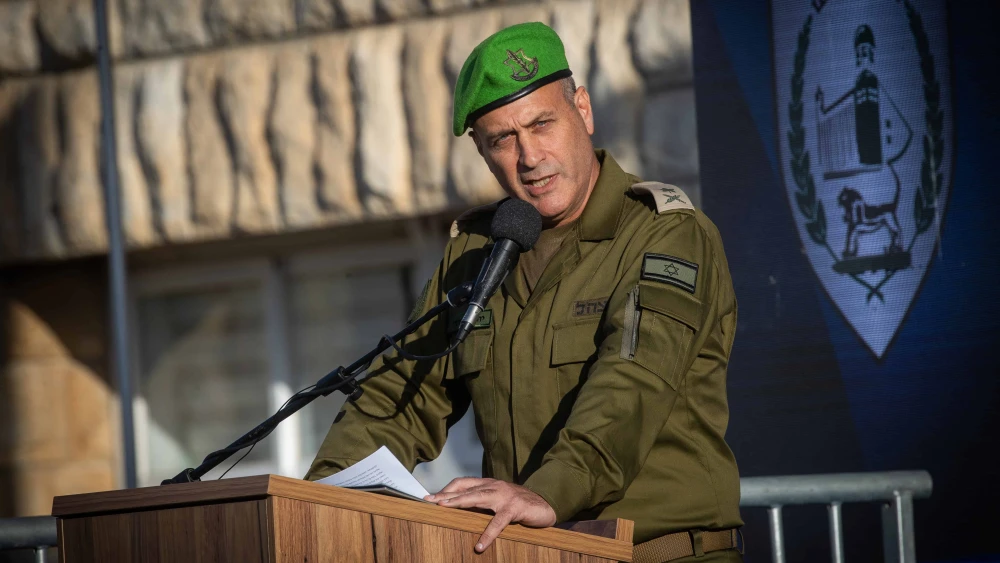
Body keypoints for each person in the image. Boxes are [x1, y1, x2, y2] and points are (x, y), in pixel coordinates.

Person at [306, 21, 743, 563]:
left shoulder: (667, 234)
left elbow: (632, 386)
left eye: (542, 124)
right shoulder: (475, 255)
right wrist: (319, 500)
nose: (530, 156)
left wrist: (548, 492)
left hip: (662, 553)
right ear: (481, 151)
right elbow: (400, 396)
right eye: (503, 139)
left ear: (582, 109)